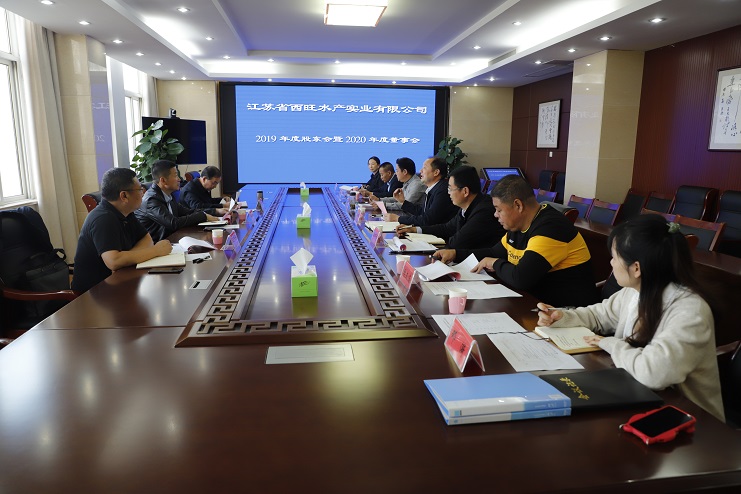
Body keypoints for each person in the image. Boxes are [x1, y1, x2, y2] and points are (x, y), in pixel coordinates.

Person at [536, 214, 724, 421]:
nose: (611, 262)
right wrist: (562, 316)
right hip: (641, 397)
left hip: (693, 421)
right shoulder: (636, 291)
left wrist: (612, 344)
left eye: (615, 257)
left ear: (636, 268)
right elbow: (599, 315)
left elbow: (654, 373)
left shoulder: (690, 310)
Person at [434, 175, 599, 307]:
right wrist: (455, 254)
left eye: (499, 210)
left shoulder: (551, 228)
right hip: (535, 304)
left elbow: (521, 278)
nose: (495, 215)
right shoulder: (518, 225)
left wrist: (495, 263)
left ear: (518, 205)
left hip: (567, 312)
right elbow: (493, 252)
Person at [71, 168, 172, 292]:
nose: (143, 193)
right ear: (124, 196)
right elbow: (113, 261)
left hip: (118, 281)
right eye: (140, 189)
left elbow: (146, 239)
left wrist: (126, 260)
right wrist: (155, 251)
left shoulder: (125, 212)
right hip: (94, 293)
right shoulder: (103, 218)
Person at [400, 165, 504, 249]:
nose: (448, 193)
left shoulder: (483, 210)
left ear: (465, 191)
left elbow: (457, 242)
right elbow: (447, 228)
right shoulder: (467, 206)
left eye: (450, 189)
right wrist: (415, 229)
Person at [135, 160, 224, 242]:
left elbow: (188, 212)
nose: (179, 179)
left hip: (170, 240)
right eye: (175, 175)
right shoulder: (152, 200)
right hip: (156, 246)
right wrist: (202, 216)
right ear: (163, 180)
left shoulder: (167, 195)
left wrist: (213, 212)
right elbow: (173, 223)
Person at [385, 157, 457, 226]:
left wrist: (398, 219)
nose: (420, 171)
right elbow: (422, 212)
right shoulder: (434, 188)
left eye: (424, 168)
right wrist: (403, 202)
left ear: (436, 172)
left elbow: (428, 220)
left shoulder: (442, 191)